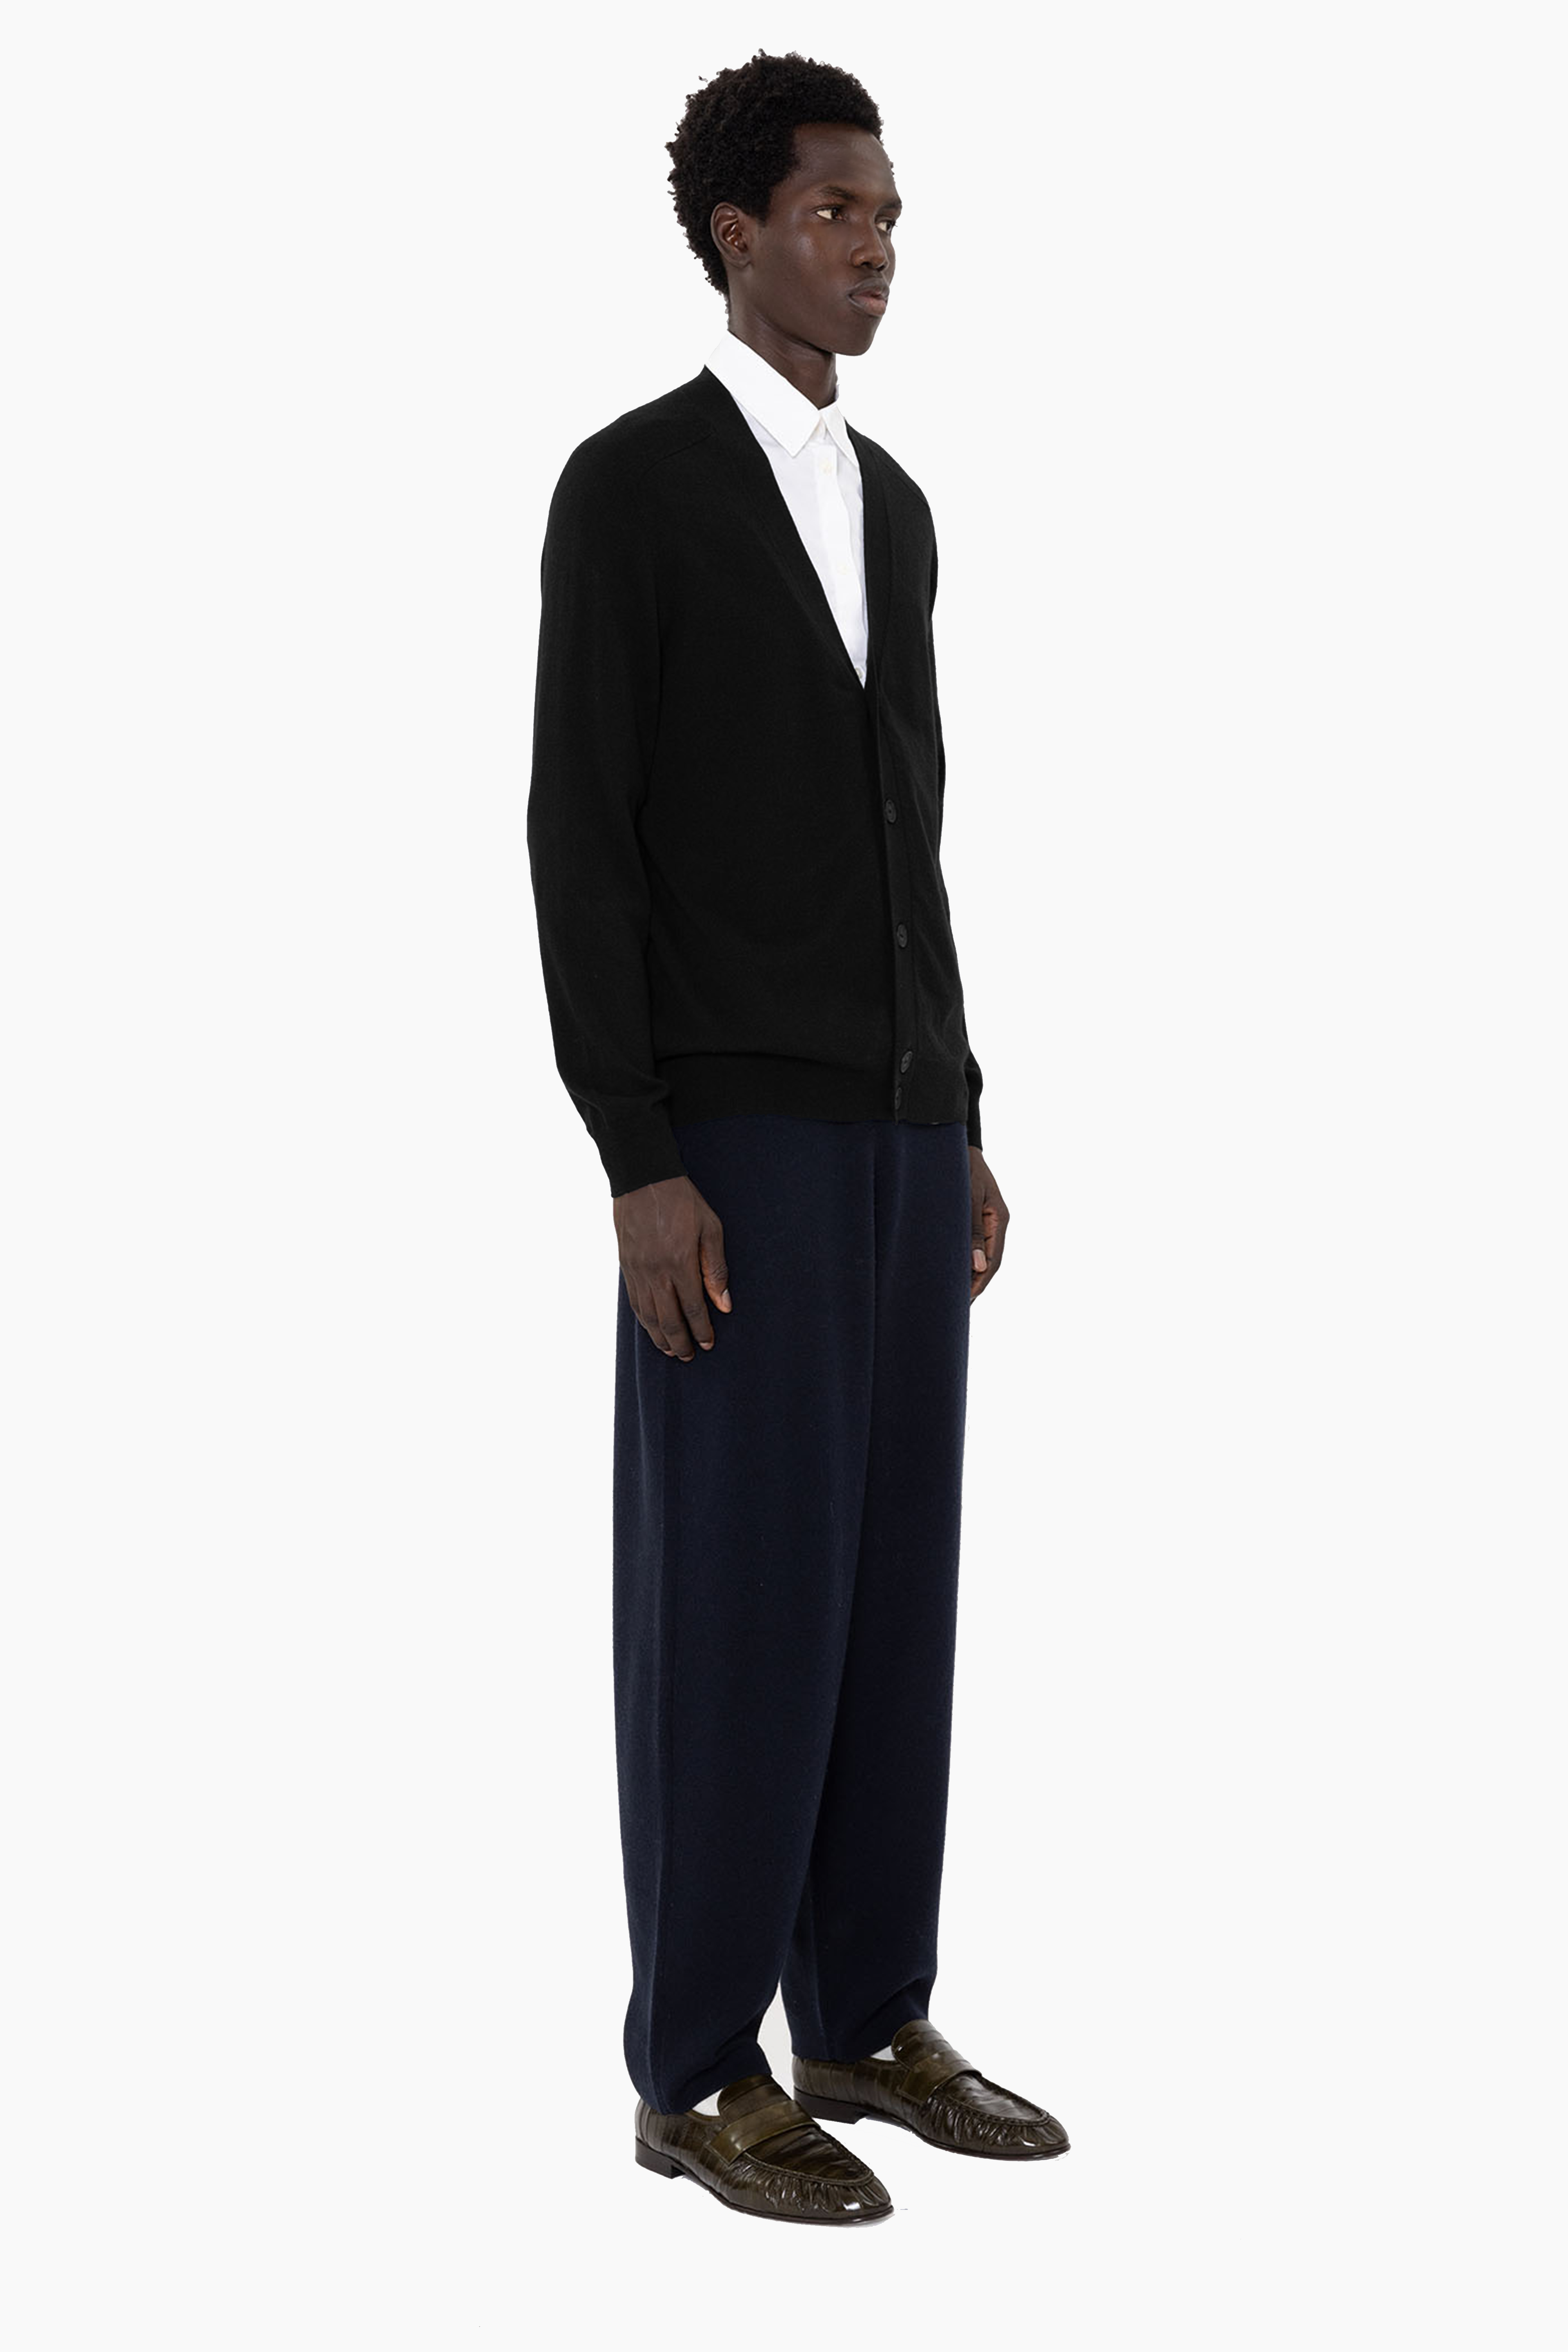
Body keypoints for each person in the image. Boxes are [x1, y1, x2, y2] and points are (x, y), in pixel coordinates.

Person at [527, 49, 1069, 2225]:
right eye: (836, 211)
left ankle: (863, 2019)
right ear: (735, 232)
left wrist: (961, 1107)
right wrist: (637, 1155)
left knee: (889, 1588)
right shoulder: (634, 487)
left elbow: (908, 830)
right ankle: (696, 2068)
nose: (875, 249)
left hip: (896, 1130)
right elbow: (581, 839)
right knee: (738, 1596)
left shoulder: (896, 507)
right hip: (732, 1136)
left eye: (890, 216)